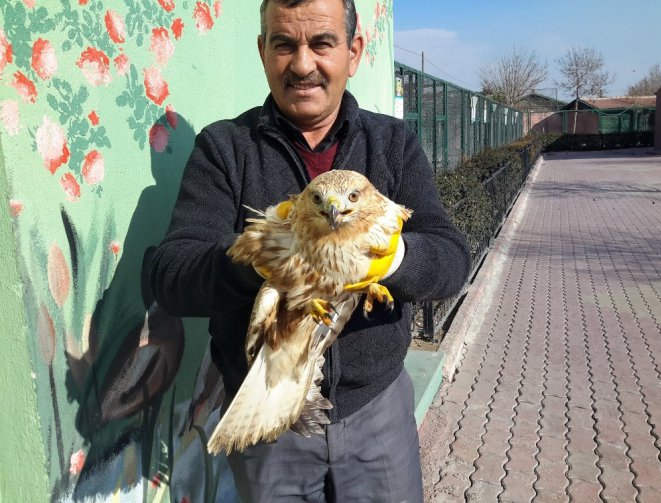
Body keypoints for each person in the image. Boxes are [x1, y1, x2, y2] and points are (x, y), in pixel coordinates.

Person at [149, 0, 470, 501]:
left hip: (376, 410)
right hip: (269, 416)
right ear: (263, 51)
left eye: (322, 43)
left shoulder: (392, 143)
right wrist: (255, 260)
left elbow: (452, 259)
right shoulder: (225, 149)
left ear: (354, 51)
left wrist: (395, 259)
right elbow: (168, 277)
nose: (302, 64)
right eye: (283, 44)